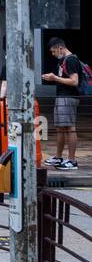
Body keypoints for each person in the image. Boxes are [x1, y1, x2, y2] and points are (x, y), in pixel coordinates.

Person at [43, 37, 84, 170]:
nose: (53, 54)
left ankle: (72, 160)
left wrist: (54, 78)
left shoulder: (71, 60)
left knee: (69, 128)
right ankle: (58, 157)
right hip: (62, 96)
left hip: (68, 97)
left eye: (54, 51)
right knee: (60, 128)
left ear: (60, 48)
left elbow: (74, 81)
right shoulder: (64, 60)